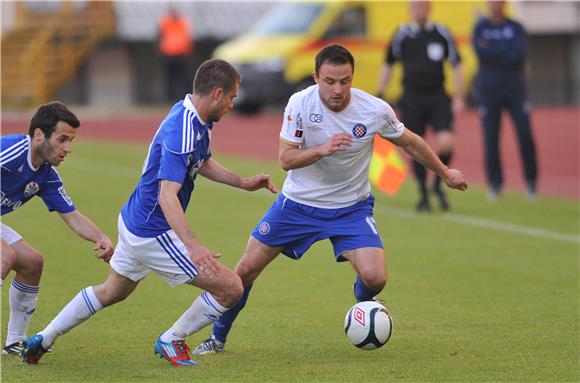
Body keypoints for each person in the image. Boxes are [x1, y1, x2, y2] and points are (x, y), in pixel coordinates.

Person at [193, 44, 468, 355]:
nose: (338, 89)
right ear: (316, 77)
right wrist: (321, 149)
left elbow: (411, 143)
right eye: (330, 81)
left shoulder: (374, 110)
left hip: (350, 209)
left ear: (352, 77)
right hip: (296, 206)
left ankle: (364, 301)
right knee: (244, 272)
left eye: (345, 81)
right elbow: (285, 159)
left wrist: (445, 173)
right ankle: (216, 339)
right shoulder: (299, 103)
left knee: (375, 277)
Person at [21, 59, 277, 366]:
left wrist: (244, 183)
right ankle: (172, 339)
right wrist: (193, 246)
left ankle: (43, 338)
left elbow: (202, 161)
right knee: (231, 288)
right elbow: (167, 196)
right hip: (152, 229)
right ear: (218, 93)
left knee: (111, 291)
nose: (234, 104)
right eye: (233, 97)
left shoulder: (194, 118)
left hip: (134, 218)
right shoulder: (183, 127)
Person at [0, 102, 115, 355]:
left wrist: (102, 237)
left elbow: (72, 216)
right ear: (39, 134)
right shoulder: (9, 151)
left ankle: (14, 342)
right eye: (62, 139)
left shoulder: (46, 175)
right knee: (4, 255)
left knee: (32, 263)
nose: (67, 149)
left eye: (70, 141)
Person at [376, 0, 464, 212]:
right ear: (410, 9)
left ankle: (438, 182)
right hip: (412, 98)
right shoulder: (402, 34)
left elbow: (457, 64)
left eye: (423, 6)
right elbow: (388, 64)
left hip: (438, 96)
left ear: (429, 8)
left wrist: (459, 96)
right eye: (416, 6)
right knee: (414, 145)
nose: (420, 10)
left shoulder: (441, 33)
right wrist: (379, 94)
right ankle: (423, 195)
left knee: (446, 144)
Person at [472, 0, 537, 200]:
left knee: (525, 133)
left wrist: (492, 50)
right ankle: (495, 184)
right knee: (490, 137)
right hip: (489, 90)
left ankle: (531, 182)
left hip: (515, 90)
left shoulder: (515, 27)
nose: (495, 4)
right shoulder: (481, 27)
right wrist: (502, 50)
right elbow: (480, 52)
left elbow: (518, 55)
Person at [159, 7, 193, 102]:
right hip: (170, 55)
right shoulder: (166, 23)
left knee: (183, 78)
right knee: (171, 79)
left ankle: (184, 97)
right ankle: (170, 98)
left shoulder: (180, 23)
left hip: (180, 54)